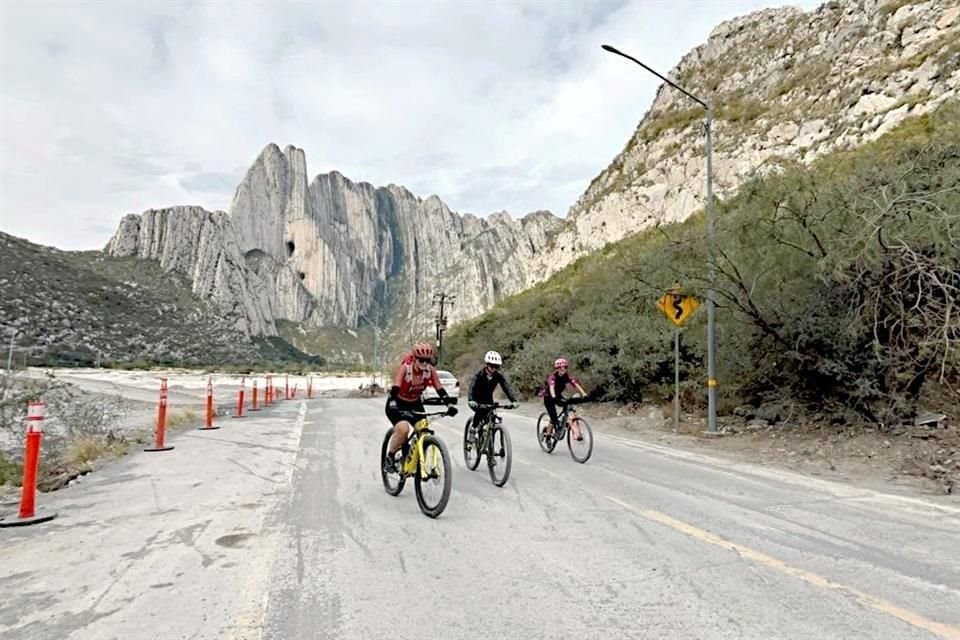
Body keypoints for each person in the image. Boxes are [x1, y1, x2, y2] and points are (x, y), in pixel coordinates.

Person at [383, 341, 455, 472]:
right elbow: (395, 387)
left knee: (423, 430)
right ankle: (390, 457)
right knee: (403, 429)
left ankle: (416, 457)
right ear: (415, 359)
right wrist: (393, 403)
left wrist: (449, 404)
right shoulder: (406, 368)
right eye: (421, 360)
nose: (424, 364)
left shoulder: (429, 370)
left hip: (415, 403)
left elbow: (439, 388)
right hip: (397, 402)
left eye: (427, 361)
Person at [466, 350, 519, 443]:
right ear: (487, 365)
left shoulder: (498, 376)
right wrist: (471, 399)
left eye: (496, 367)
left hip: (488, 400)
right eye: (492, 366)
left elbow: (506, 387)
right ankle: (473, 429)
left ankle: (489, 444)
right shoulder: (479, 375)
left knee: (492, 416)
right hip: (475, 400)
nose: (494, 369)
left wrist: (513, 400)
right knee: (480, 412)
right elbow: (472, 387)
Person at [542, 357, 587, 439]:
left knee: (567, 405)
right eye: (560, 367)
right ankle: (548, 435)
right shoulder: (553, 377)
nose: (563, 369)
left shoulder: (567, 376)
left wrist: (584, 394)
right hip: (549, 397)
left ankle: (563, 423)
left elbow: (575, 384)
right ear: (557, 368)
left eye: (565, 367)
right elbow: (552, 387)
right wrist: (553, 396)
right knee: (554, 417)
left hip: (558, 395)